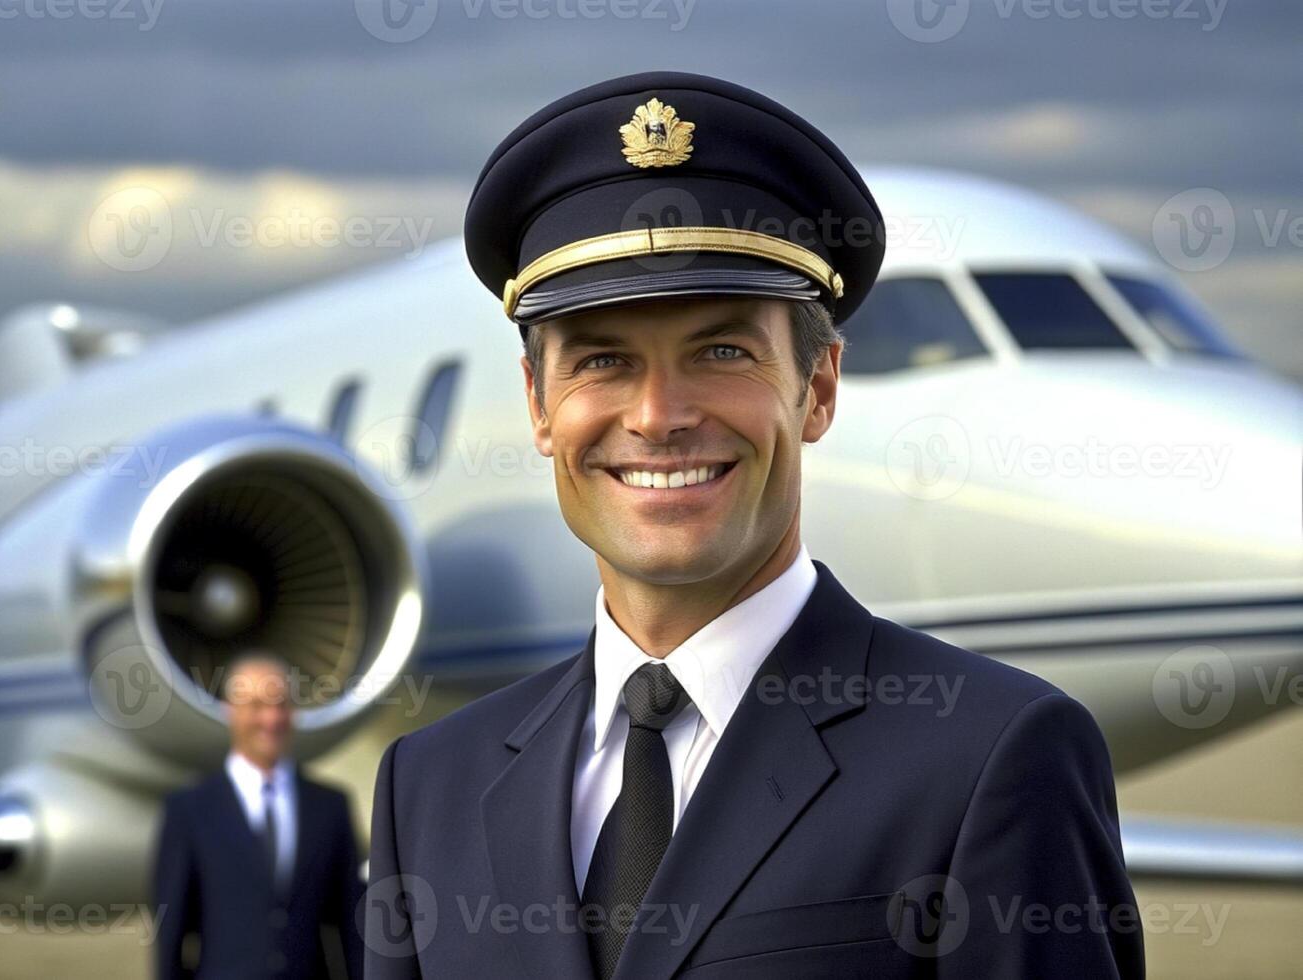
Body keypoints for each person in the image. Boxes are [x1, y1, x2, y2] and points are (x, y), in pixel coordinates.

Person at [364, 71, 1145, 979]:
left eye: (722, 351)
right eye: (602, 360)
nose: (657, 415)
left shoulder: (993, 757)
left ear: (816, 390)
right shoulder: (429, 786)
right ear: (539, 406)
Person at [153, 652, 365, 979]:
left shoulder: (331, 806)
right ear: (230, 710)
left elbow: (352, 923)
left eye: (281, 704)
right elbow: (171, 931)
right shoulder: (190, 810)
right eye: (256, 706)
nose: (271, 719)